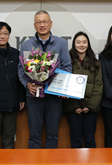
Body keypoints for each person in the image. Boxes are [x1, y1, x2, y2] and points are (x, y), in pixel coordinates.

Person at [18, 10, 72, 149]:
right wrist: (27, 84)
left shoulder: (61, 43)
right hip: (33, 95)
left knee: (53, 134)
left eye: (45, 21)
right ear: (35, 25)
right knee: (34, 134)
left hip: (54, 95)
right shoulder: (26, 45)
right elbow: (20, 69)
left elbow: (67, 66)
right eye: (39, 22)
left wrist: (58, 85)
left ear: (51, 23)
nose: (42, 25)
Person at [63, 32, 102, 148]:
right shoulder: (67, 62)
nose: (81, 45)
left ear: (88, 44)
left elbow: (98, 85)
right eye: (78, 42)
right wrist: (74, 107)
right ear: (74, 44)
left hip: (90, 109)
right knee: (76, 141)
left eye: (84, 42)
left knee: (90, 140)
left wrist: (90, 106)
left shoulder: (96, 63)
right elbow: (64, 86)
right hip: (73, 109)